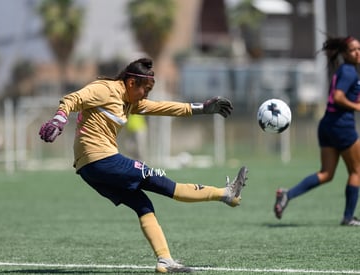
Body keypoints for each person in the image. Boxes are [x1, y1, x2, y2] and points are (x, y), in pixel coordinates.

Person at [39, 57, 248, 273]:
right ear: (131, 83)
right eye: (145, 90)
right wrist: (59, 120)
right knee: (168, 186)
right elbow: (72, 99)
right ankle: (226, 194)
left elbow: (163, 107)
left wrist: (203, 108)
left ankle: (165, 260)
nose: (146, 95)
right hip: (104, 160)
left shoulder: (129, 101)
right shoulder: (105, 89)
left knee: (143, 205)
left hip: (89, 170)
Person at [274, 36, 360, 226]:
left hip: (327, 124)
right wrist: (356, 106)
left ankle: (287, 195)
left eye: (359, 49)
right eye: (353, 50)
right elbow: (338, 97)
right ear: (345, 54)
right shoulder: (349, 71)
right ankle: (348, 217)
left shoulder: (343, 70)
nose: (357, 53)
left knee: (327, 173)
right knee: (357, 170)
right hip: (342, 125)